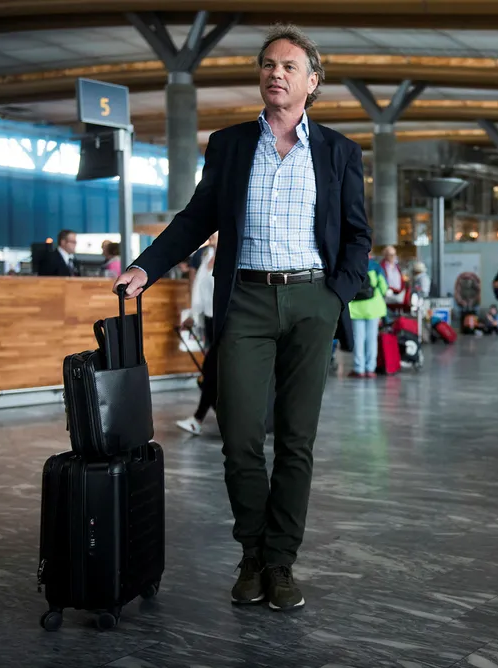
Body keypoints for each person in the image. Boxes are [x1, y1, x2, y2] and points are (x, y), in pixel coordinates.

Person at [113, 24, 371, 611]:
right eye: (267, 64)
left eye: (289, 66)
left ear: (312, 82)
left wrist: (335, 296)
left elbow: (357, 235)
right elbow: (196, 217)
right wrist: (147, 267)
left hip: (311, 300)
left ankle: (280, 561)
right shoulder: (230, 145)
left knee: (297, 439)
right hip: (247, 299)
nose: (275, 73)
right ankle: (252, 552)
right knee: (240, 438)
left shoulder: (339, 152)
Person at [176, 234, 219, 435]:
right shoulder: (206, 255)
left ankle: (198, 419)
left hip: (227, 321)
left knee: (210, 371)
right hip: (210, 321)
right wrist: (192, 316)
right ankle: (222, 418)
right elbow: (199, 291)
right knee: (213, 372)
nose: (211, 234)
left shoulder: (234, 255)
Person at [349, 254, 388, 378]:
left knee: (358, 339)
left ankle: (358, 368)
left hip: (356, 308)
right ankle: (370, 368)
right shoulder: (376, 267)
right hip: (373, 307)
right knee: (372, 338)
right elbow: (384, 287)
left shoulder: (352, 265)